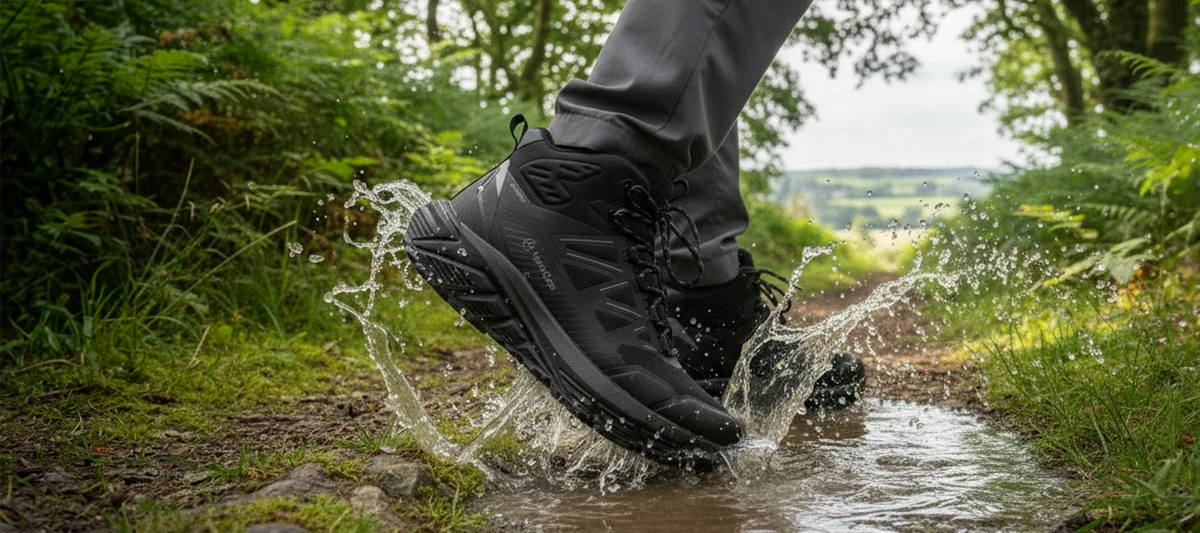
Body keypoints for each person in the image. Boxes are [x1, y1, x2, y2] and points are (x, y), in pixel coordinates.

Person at [403, 0, 864, 469]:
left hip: (693, 269)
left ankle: (705, 306)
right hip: (571, 196)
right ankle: (574, 194)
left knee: (705, 77)